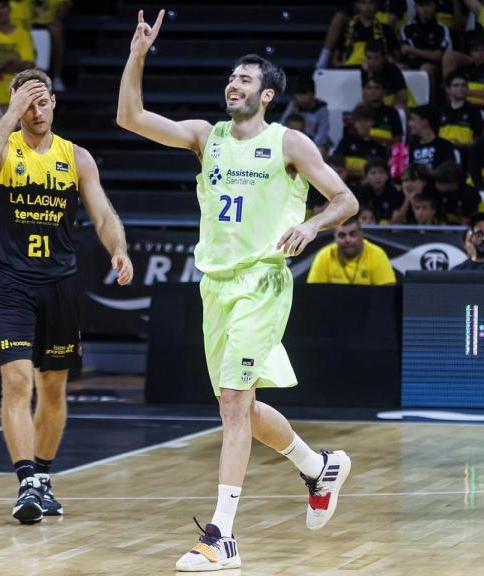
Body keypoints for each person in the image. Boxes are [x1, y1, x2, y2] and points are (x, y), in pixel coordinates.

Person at [117, 11, 359, 571]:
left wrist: (311, 226)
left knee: (232, 404)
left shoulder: (289, 143)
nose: (233, 83)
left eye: (245, 79)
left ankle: (222, 535)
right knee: (240, 410)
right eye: (231, 76)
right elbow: (129, 117)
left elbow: (344, 199)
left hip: (264, 282)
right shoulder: (206, 137)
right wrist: (138, 53)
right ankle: (317, 466)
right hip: (217, 286)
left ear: (267, 94)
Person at [0, 69, 134, 524]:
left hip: (59, 283)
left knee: (53, 386)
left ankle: (42, 476)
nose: (36, 113)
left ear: (55, 103)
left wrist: (118, 249)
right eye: (27, 104)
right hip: (10, 283)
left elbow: (103, 214)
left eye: (42, 102)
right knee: (17, 381)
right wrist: (9, 115)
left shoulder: (76, 157)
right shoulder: (3, 150)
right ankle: (25, 484)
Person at [0, 0, 36, 109]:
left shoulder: (23, 34)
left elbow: (28, 65)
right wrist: (9, 59)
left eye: (2, 7)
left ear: (9, 9)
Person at [308, 217, 396, 285]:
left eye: (353, 234)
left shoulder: (377, 254)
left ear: (362, 235)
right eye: (342, 235)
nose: (348, 239)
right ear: (335, 238)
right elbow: (313, 292)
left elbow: (387, 291)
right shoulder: (324, 255)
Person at [280, 78, 330, 154]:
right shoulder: (293, 105)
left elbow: (322, 133)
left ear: (312, 93)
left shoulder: (321, 108)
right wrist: (291, 110)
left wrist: (309, 147)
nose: (301, 98)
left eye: (305, 94)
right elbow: (281, 125)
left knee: (322, 148)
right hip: (294, 141)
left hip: (313, 143)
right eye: (298, 94)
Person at [407, 105, 457, 170]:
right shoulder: (411, 147)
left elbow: (449, 173)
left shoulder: (444, 146)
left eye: (413, 119)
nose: (409, 123)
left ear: (425, 121)